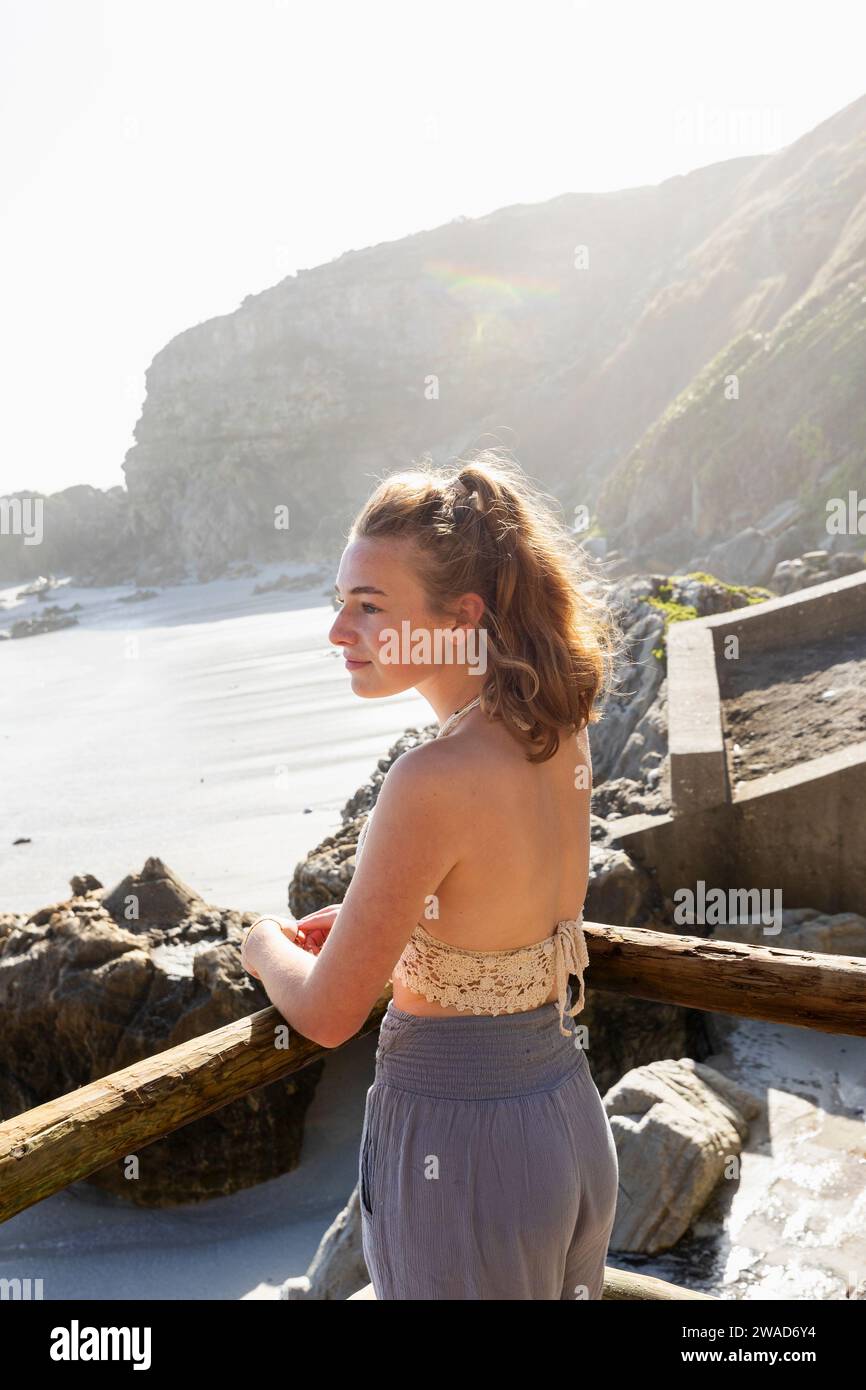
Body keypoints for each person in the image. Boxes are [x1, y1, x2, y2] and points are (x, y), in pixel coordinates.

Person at [242, 447, 623, 1299]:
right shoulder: (555, 728)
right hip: (564, 1120)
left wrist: (263, 945)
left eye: (369, 607)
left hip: (463, 1153)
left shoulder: (430, 779)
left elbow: (330, 1013)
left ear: (459, 616)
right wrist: (396, 928)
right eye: (340, 604)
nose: (339, 632)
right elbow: (503, 917)